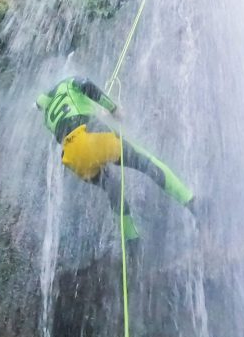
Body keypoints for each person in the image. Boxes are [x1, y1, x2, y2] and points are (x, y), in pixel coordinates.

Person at [36, 76, 195, 242]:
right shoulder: (67, 84)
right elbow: (86, 85)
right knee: (144, 161)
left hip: (72, 159)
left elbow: (69, 120)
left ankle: (132, 241)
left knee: (112, 187)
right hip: (89, 136)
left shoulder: (47, 114)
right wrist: (113, 109)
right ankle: (192, 203)